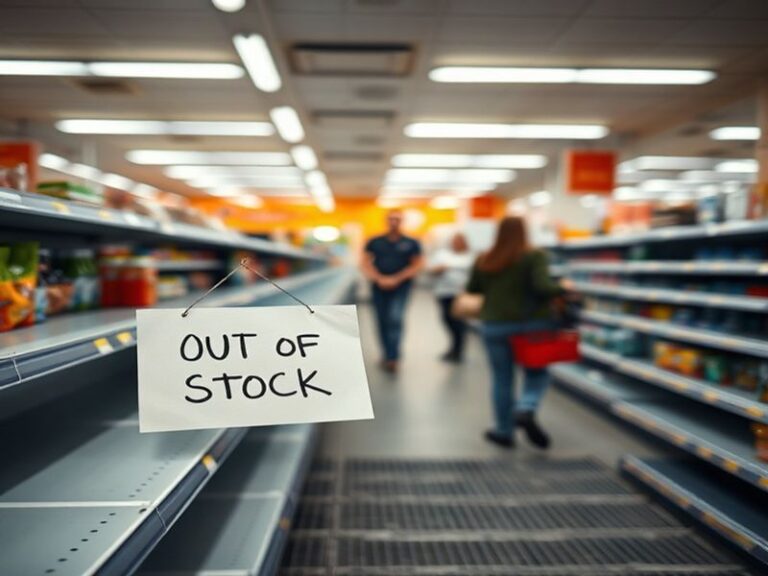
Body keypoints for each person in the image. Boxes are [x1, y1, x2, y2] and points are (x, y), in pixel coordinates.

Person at [466, 216, 572, 449]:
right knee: (537, 374)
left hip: (494, 325)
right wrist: (563, 287)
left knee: (502, 379)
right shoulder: (535, 256)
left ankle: (504, 432)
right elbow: (543, 287)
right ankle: (526, 407)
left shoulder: (485, 257)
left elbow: (472, 288)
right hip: (532, 325)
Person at [361, 209, 423, 373]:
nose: (394, 222)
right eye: (391, 219)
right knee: (381, 320)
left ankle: (393, 357)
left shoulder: (411, 242)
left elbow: (416, 265)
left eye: (397, 219)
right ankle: (386, 354)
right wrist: (379, 278)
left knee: (395, 318)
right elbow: (365, 262)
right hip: (378, 286)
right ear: (386, 221)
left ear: (401, 221)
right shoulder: (375, 241)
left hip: (401, 287)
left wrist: (397, 278)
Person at [429, 231, 473, 362]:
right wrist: (439, 269)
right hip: (444, 292)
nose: (456, 243)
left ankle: (458, 350)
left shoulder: (470, 257)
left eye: (459, 241)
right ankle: (453, 347)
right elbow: (431, 270)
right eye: (454, 241)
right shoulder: (442, 255)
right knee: (447, 319)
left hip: (462, 295)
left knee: (459, 322)